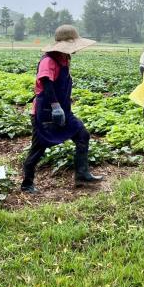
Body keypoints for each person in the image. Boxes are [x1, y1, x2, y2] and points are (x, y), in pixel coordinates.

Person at [21, 25, 103, 194]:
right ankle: (27, 183)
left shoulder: (64, 58)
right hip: (45, 113)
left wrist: (65, 102)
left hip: (64, 111)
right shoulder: (48, 61)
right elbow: (46, 83)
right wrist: (55, 106)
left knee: (82, 135)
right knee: (38, 148)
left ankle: (82, 174)